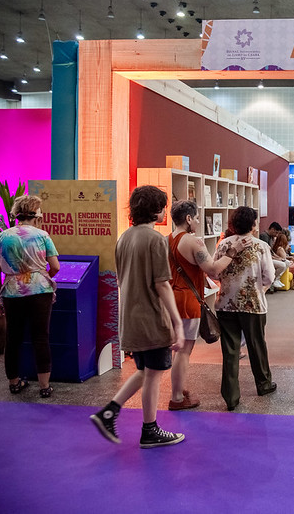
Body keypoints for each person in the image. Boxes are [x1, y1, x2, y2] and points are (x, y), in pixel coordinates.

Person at [90, 185, 185, 449]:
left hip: (130, 317)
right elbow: (162, 284)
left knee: (145, 370)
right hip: (151, 318)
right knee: (154, 374)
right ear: (157, 209)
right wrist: (177, 323)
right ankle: (149, 430)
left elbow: (121, 279)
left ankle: (109, 412)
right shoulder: (156, 240)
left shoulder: (124, 237)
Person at [0, 195, 60, 398]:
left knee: (12, 338)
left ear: (16, 214)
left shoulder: (3, 236)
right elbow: (55, 266)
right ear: (36, 214)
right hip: (40, 291)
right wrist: (43, 276)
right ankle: (44, 386)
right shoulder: (42, 235)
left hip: (12, 291)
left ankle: (14, 383)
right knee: (40, 337)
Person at [214, 206, 277, 411]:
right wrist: (260, 288)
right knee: (256, 345)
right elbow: (269, 276)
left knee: (230, 350)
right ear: (253, 224)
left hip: (225, 304)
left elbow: (214, 273)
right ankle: (264, 384)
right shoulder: (261, 246)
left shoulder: (224, 244)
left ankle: (231, 396)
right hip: (253, 304)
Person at [166, 200, 225, 411]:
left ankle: (179, 389)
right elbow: (213, 270)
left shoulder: (166, 240)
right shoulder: (193, 242)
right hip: (188, 300)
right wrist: (230, 254)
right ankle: (176, 397)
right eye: (197, 218)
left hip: (171, 298)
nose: (199, 222)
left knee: (179, 348)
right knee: (183, 351)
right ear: (189, 218)